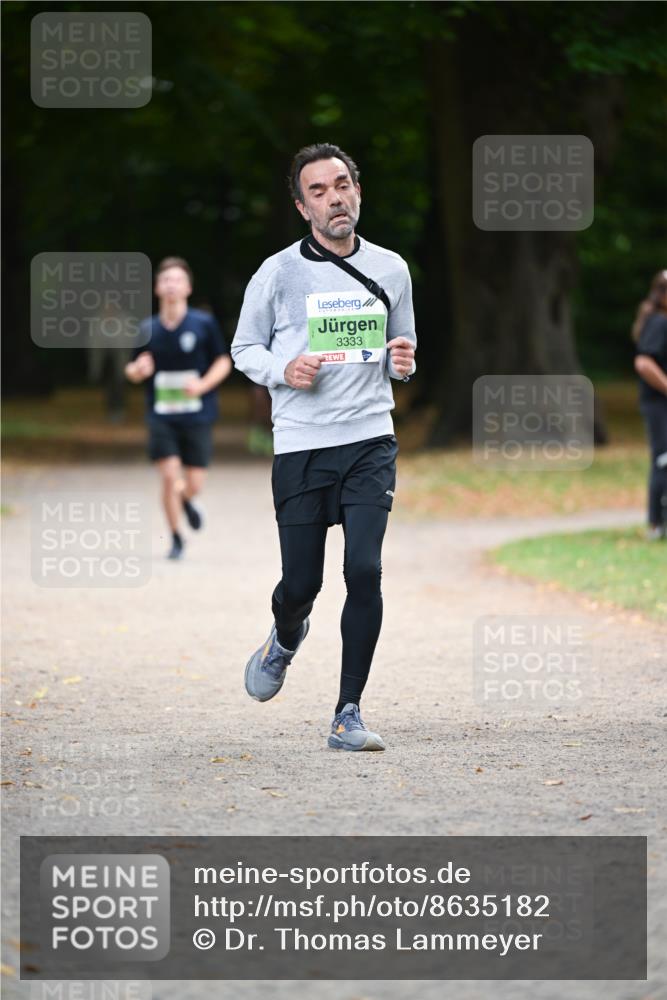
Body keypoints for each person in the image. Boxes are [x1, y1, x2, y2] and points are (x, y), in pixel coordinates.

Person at [231, 142, 417, 751]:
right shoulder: (278, 273)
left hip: (369, 438)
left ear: (357, 191)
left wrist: (403, 363)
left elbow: (401, 351)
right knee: (301, 585)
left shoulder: (391, 268)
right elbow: (244, 349)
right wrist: (284, 371)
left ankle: (348, 712)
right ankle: (286, 635)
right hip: (302, 444)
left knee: (364, 570)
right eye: (319, 190)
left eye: (342, 185)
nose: (334, 198)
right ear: (301, 206)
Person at [125, 257, 232, 559]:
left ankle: (187, 499)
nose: (171, 285)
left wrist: (202, 385)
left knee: (194, 484)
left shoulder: (203, 324)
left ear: (187, 288)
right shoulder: (146, 328)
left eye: (177, 280)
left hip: (197, 413)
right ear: (157, 288)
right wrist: (138, 370)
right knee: (170, 476)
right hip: (161, 414)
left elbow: (223, 361)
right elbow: (131, 370)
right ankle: (175, 538)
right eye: (166, 280)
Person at [632, 269, 667, 541]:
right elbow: (643, 362)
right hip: (658, 405)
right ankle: (656, 523)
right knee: (663, 460)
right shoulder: (658, 322)